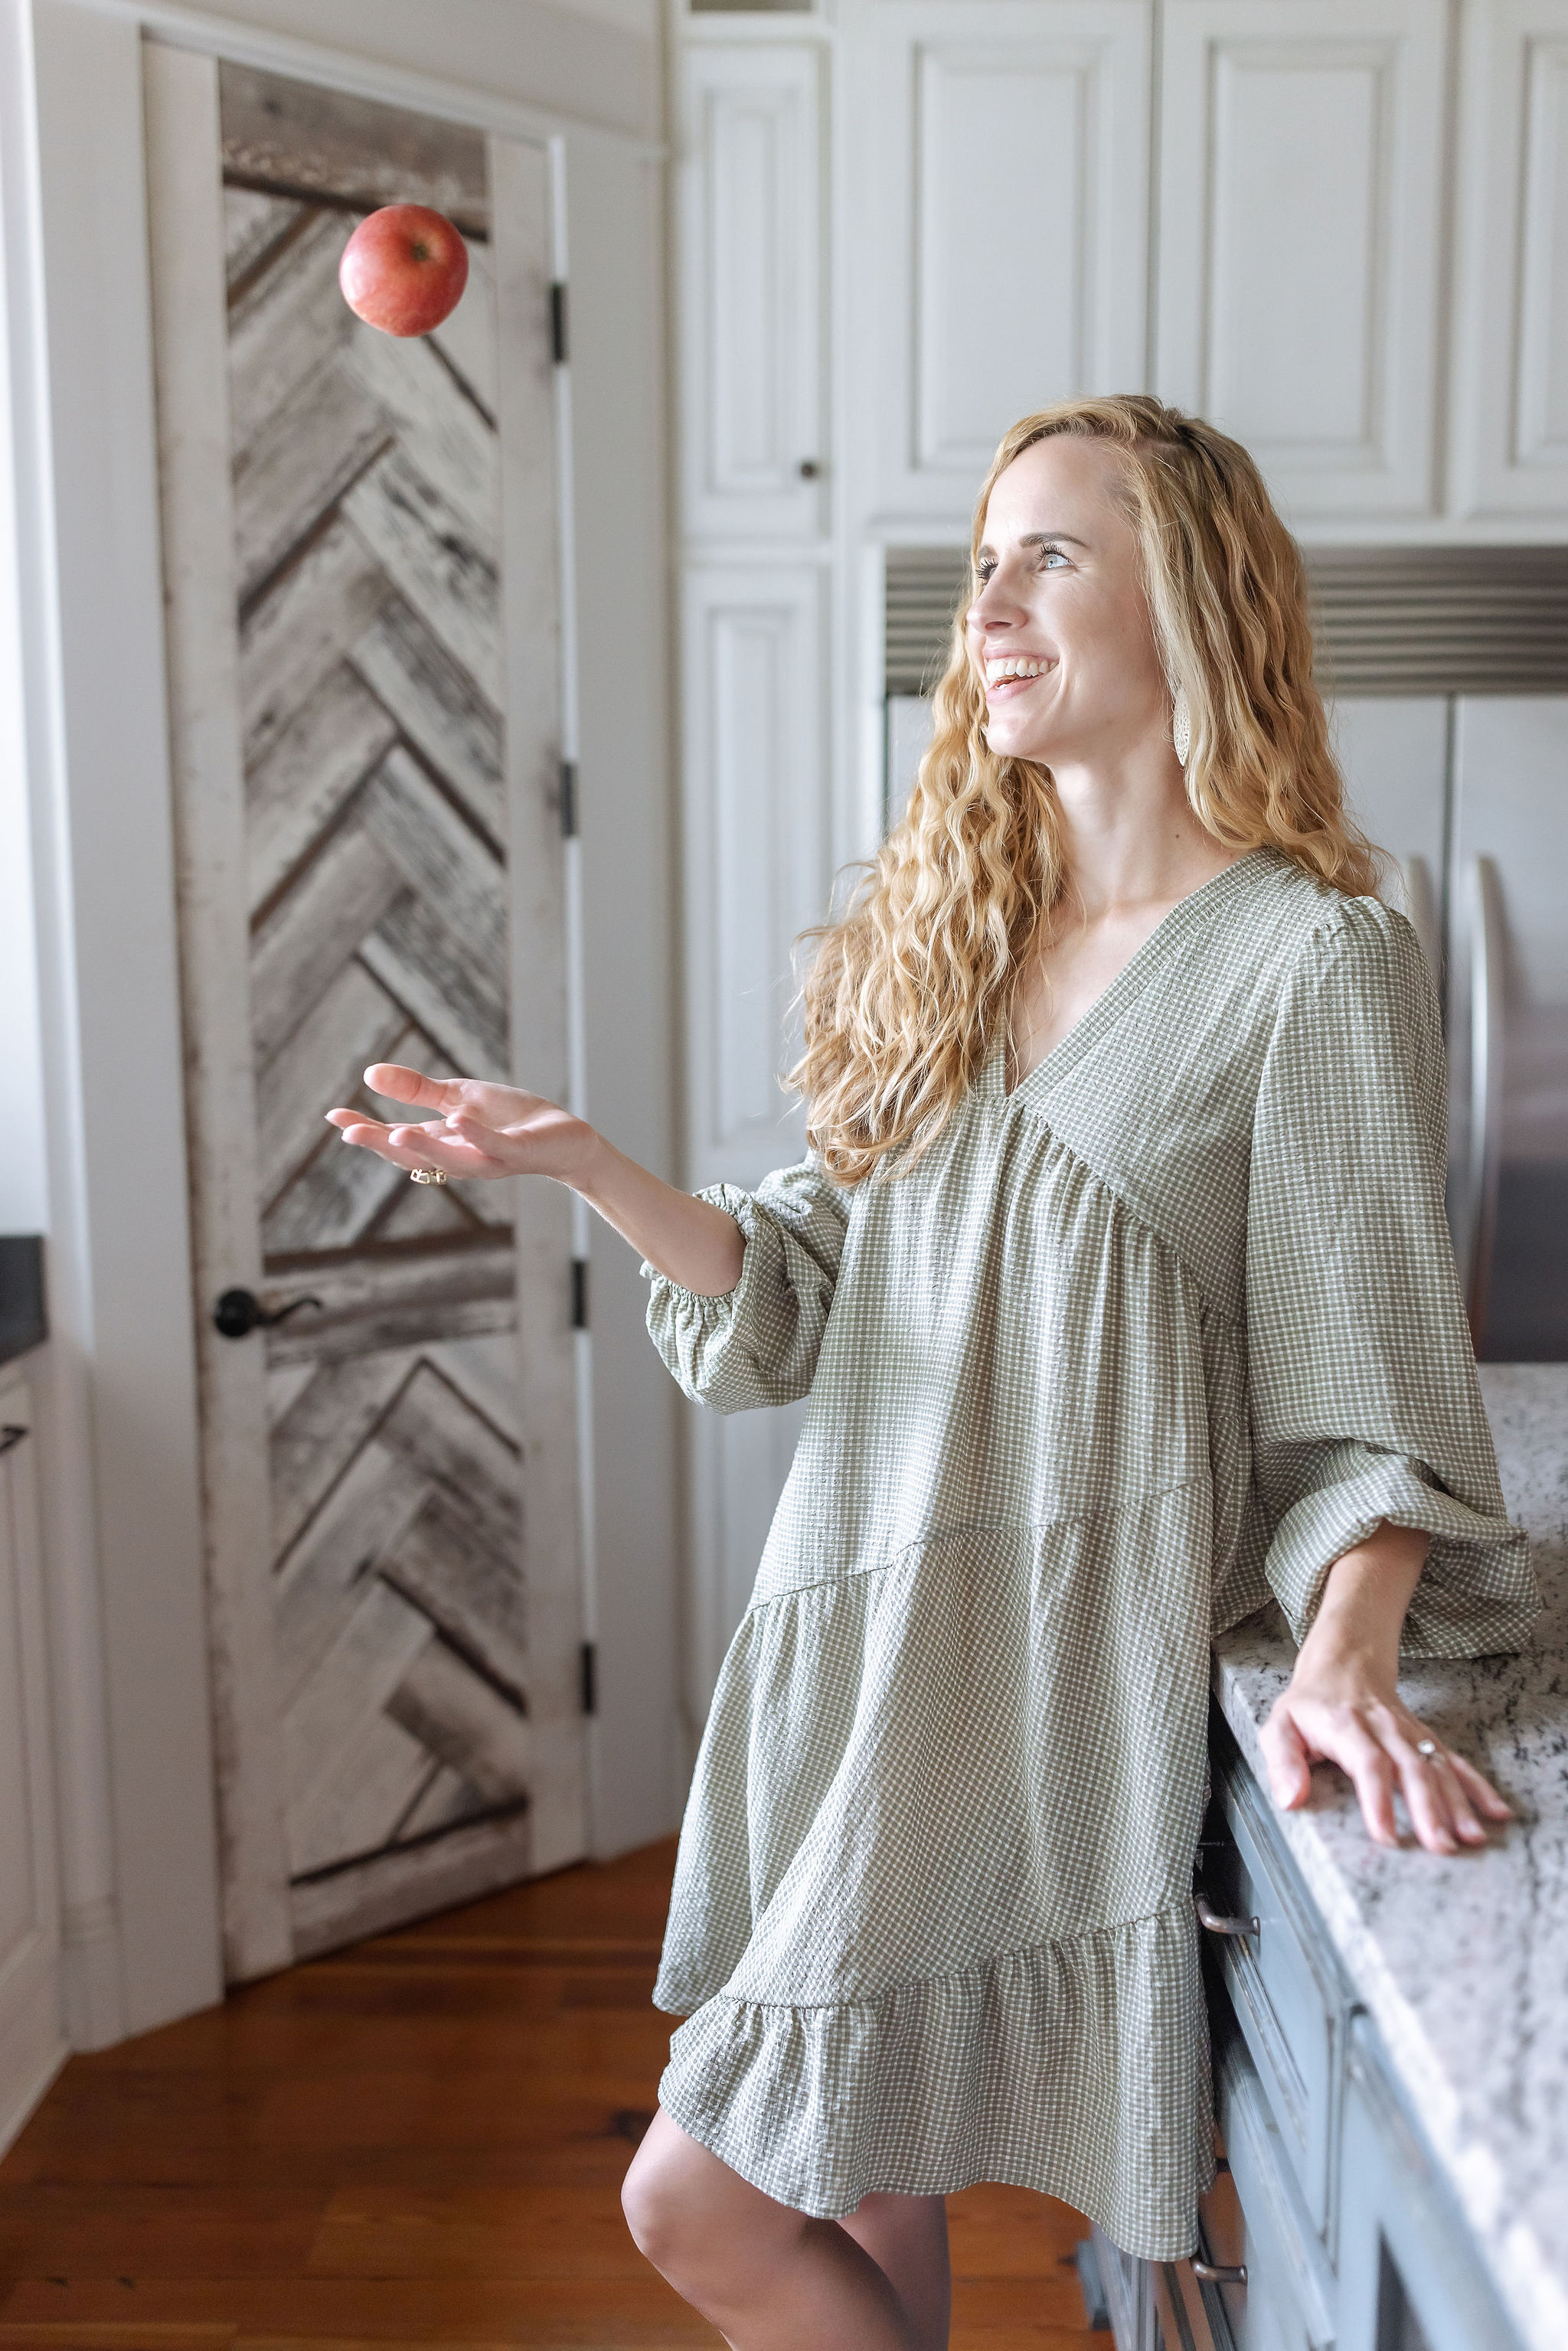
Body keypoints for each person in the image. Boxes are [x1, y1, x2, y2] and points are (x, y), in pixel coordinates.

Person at [326, 393, 1541, 2351]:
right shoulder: (960, 937)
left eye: (1048, 556)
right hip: (861, 1640)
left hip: (1032, 1689)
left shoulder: (1308, 954)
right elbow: (803, 1290)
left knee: (688, 2200)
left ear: (1194, 603)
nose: (988, 605)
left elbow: (1372, 1376)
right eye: (981, 566)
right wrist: (588, 1168)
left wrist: (1347, 1652)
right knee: (853, 2177)